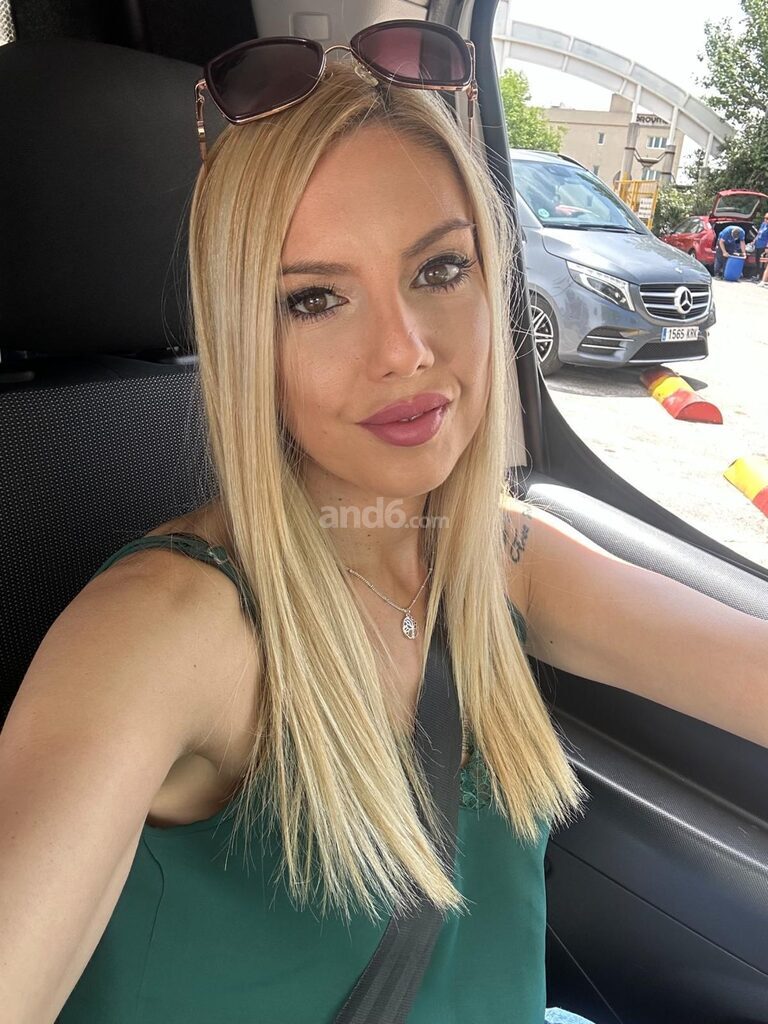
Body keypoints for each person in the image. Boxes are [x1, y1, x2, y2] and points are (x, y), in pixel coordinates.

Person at [2, 25, 767, 1024]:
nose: (404, 351)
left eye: (439, 270)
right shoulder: (164, 627)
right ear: (242, 333)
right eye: (315, 298)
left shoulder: (500, 557)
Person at [755, 212, 768, 282]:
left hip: (763, 246)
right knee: (757, 260)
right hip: (758, 244)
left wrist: (767, 247)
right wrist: (754, 241)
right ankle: (757, 275)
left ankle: (760, 277)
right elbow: (758, 233)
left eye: (767, 218)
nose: (765, 219)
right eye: (765, 218)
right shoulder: (763, 224)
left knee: (761, 262)